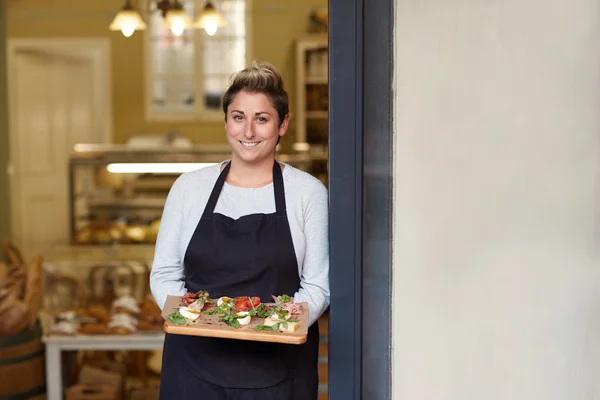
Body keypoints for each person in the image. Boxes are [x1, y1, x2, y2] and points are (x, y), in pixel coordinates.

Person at [150, 60, 330, 400]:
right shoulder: (189, 188)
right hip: (193, 367)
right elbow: (164, 273)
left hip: (279, 371)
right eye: (238, 117)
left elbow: (318, 284)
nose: (248, 132)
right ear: (226, 122)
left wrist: (271, 326)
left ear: (283, 124)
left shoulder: (307, 193)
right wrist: (190, 319)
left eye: (261, 119)